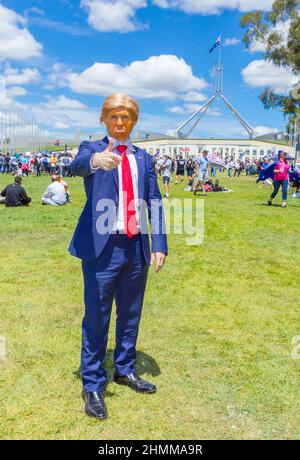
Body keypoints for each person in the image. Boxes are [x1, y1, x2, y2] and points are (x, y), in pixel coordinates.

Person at [69, 93, 167, 420]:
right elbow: (77, 165)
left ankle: (125, 368)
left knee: (130, 312)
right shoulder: (92, 149)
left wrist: (159, 243)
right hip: (102, 247)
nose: (120, 122)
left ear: (134, 122)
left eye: (126, 117)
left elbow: (154, 201)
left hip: (136, 246)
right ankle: (94, 383)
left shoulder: (143, 158)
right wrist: (97, 162)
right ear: (104, 119)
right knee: (96, 315)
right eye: (114, 116)